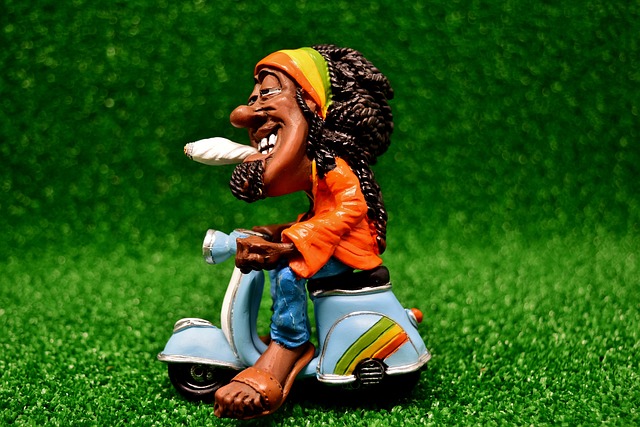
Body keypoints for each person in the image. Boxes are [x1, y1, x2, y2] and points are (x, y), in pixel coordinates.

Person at [214, 45, 394, 419]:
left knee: (288, 272)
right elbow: (319, 213)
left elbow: (351, 209)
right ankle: (284, 331)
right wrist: (280, 230)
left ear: (310, 105)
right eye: (253, 97)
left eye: (267, 92)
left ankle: (290, 343)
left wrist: (290, 245)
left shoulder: (334, 166)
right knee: (283, 261)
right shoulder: (317, 169)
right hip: (332, 242)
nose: (246, 111)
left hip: (349, 248)